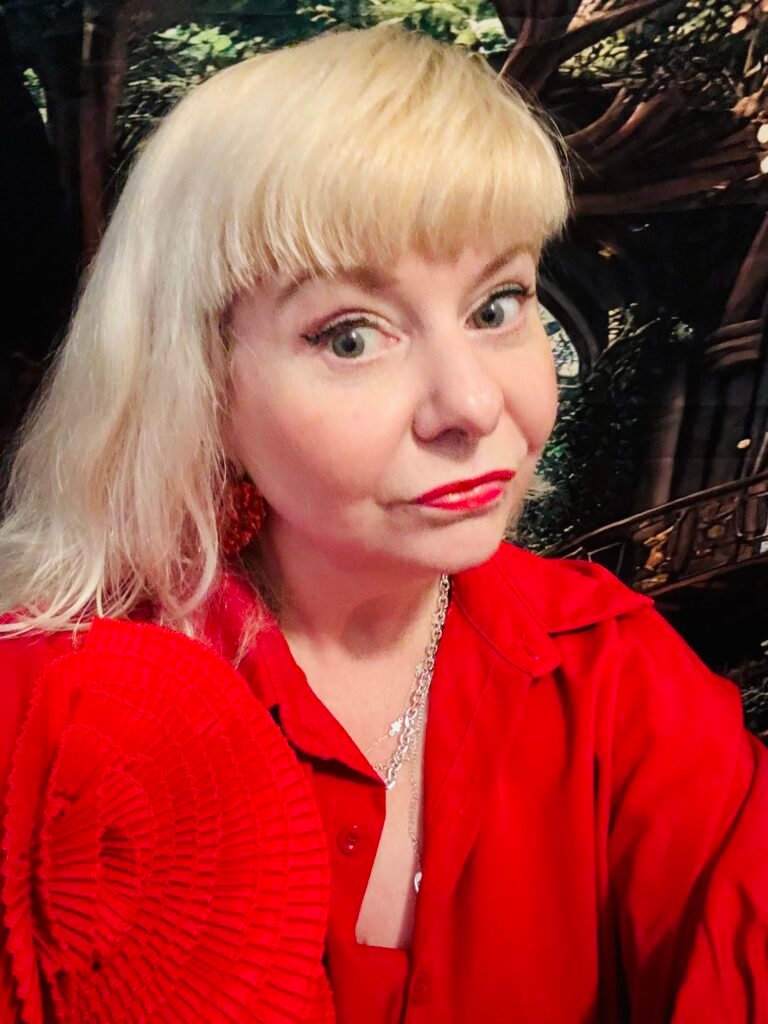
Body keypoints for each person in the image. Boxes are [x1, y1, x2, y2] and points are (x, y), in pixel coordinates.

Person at [0, 21, 766, 1024]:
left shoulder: (611, 670)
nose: (473, 405)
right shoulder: (47, 719)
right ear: (200, 385)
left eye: (497, 306)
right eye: (352, 336)